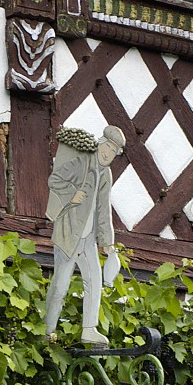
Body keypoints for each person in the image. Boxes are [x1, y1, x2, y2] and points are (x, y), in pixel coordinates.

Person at [44, 124, 126, 346]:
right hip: (69, 232)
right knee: (60, 286)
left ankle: (89, 329)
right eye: (108, 147)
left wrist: (108, 244)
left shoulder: (105, 174)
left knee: (94, 281)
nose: (109, 154)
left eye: (114, 152)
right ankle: (47, 330)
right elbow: (55, 180)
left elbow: (103, 210)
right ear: (101, 143)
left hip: (88, 238)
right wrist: (72, 194)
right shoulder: (82, 162)